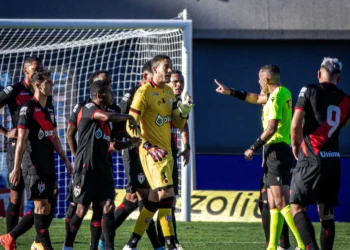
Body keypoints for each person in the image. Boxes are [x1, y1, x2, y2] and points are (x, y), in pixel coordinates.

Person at [215, 65, 305, 250]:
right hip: (276, 151)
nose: (258, 81)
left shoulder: (276, 97)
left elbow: (272, 128)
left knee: (281, 202)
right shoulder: (282, 92)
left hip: (277, 151)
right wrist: (230, 91)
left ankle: (303, 244)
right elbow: (254, 98)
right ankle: (272, 246)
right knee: (272, 203)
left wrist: (253, 147)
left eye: (259, 78)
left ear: (267, 80)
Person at [123, 55, 194, 250]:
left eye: (170, 67)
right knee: (167, 195)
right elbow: (131, 126)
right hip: (152, 154)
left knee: (154, 201)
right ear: (155, 70)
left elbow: (177, 123)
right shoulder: (143, 93)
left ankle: (131, 244)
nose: (170, 70)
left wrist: (185, 110)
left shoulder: (169, 92)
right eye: (166, 67)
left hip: (167, 153)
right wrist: (148, 147)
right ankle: (171, 245)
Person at [1, 70, 72, 250]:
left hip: (48, 162)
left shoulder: (49, 106)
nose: (52, 85)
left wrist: (65, 159)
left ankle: (10, 236)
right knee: (41, 208)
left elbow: (54, 136)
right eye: (49, 82)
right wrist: (16, 168)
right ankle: (42, 246)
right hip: (33, 165)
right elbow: (21, 142)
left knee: (47, 207)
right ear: (38, 85)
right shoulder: (28, 109)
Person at [63, 80, 138, 250]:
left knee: (107, 206)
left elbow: (112, 145)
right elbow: (106, 117)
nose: (113, 95)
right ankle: (67, 246)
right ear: (99, 96)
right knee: (81, 210)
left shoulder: (107, 120)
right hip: (86, 166)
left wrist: (131, 143)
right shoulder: (88, 108)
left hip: (103, 167)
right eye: (110, 92)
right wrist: (129, 116)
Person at [98, 61, 164, 250]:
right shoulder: (132, 95)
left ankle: (109, 238)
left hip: (147, 151)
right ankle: (107, 239)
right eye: (155, 76)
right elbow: (119, 124)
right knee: (139, 197)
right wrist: (124, 141)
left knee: (139, 199)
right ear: (146, 77)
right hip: (134, 152)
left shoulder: (155, 93)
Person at [290, 57, 350, 250]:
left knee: (297, 207)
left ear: (318, 73)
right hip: (333, 160)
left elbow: (295, 123)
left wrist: (295, 144)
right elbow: (343, 124)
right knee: (327, 214)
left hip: (311, 156)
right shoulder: (346, 100)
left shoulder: (309, 89)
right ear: (339, 78)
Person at [156, 70, 190, 250]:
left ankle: (169, 241)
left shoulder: (180, 102)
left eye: (181, 82)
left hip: (171, 152)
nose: (179, 85)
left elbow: (183, 126)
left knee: (170, 199)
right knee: (155, 199)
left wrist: (187, 147)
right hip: (155, 154)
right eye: (175, 81)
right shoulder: (160, 100)